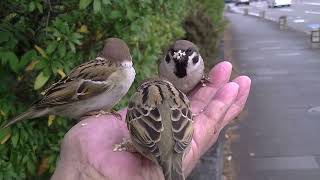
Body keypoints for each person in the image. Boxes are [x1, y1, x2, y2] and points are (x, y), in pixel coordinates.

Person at [51, 61, 251, 180]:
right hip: (180, 139)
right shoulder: (179, 96)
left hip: (148, 144)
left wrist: (143, 146)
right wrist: (177, 145)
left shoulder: (137, 101)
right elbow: (185, 120)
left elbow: (142, 128)